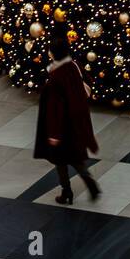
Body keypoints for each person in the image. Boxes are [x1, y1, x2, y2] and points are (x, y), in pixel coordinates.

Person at [33, 32, 101, 206]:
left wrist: (54, 134)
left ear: (54, 53)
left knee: (60, 161)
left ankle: (66, 192)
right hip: (75, 123)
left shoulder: (56, 77)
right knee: (76, 158)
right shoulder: (74, 65)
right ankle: (90, 183)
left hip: (62, 127)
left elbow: (55, 108)